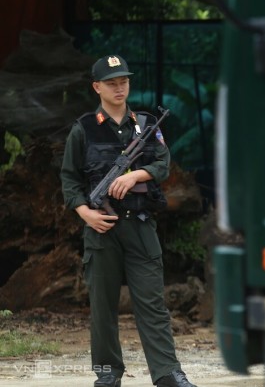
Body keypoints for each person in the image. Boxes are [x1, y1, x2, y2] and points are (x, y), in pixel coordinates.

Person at [60, 54, 197, 387]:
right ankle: (108, 374)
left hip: (140, 224)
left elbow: (163, 165)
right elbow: (69, 179)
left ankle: (168, 374)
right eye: (111, 82)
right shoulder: (84, 129)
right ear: (97, 87)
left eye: (123, 81)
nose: (119, 87)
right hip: (101, 229)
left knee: (152, 304)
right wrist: (85, 212)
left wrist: (136, 174)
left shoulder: (147, 125)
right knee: (103, 307)